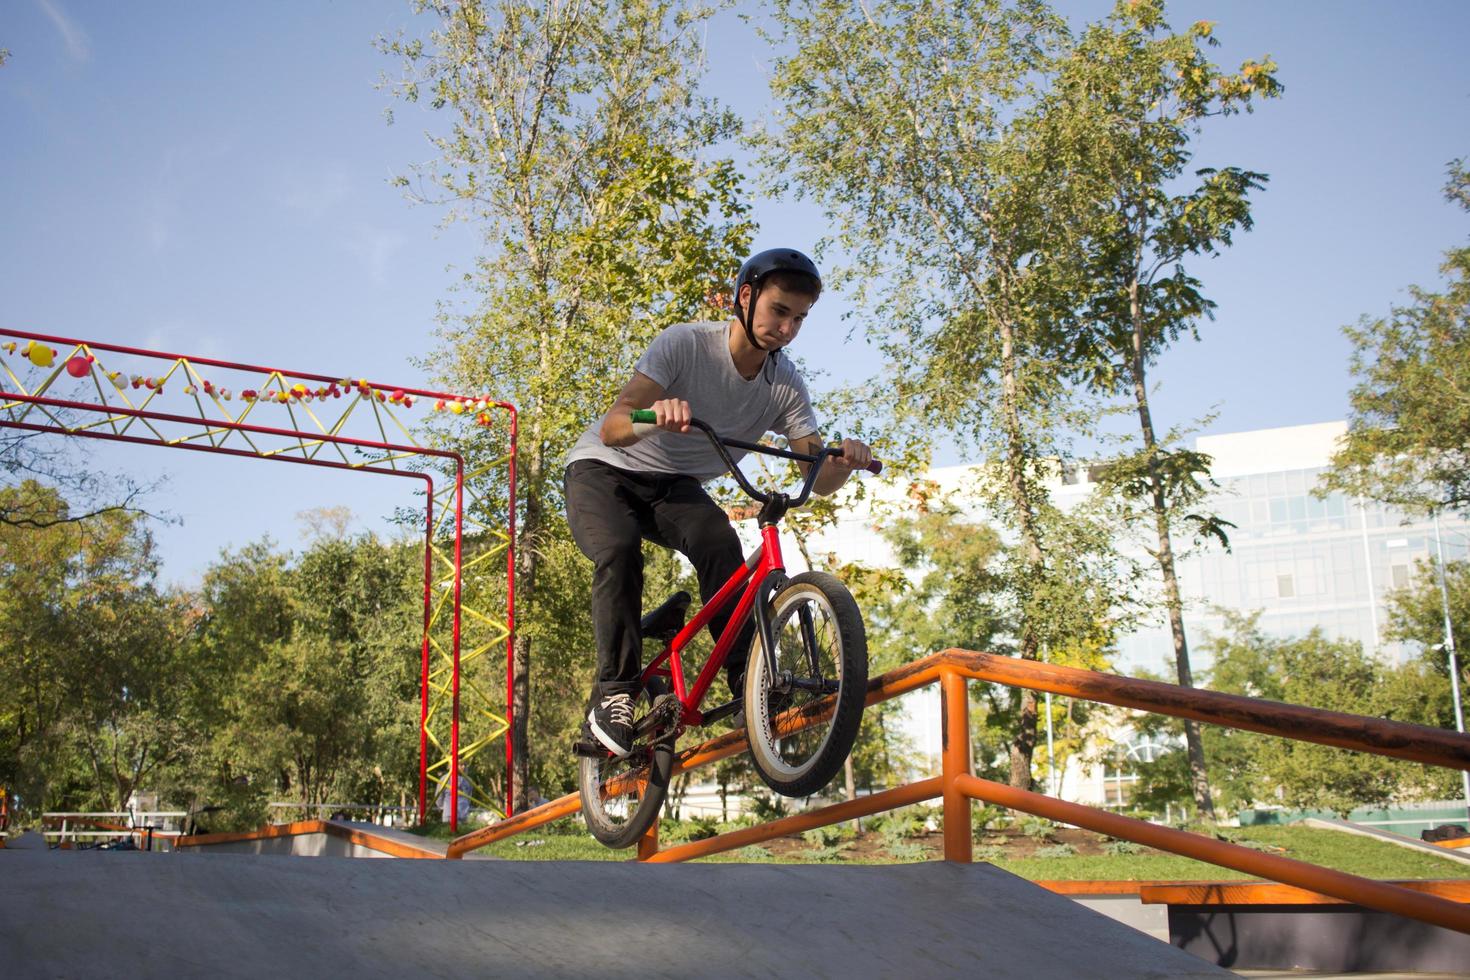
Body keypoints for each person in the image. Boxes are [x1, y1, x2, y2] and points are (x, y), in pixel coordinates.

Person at [564, 247, 873, 757]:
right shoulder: (685, 344)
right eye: (779, 311)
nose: (788, 329)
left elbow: (814, 477)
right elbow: (615, 426)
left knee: (718, 540)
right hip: (603, 470)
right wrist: (652, 415)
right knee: (618, 551)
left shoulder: (785, 384)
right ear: (746, 298)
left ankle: (748, 681)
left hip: (673, 485)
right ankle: (613, 695)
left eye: (800, 319)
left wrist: (840, 462)